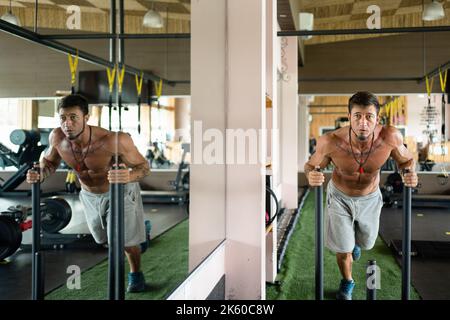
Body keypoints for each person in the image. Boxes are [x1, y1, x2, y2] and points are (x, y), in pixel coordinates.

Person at [26, 94, 151, 293]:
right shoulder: (57, 138)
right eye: (63, 118)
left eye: (73, 117)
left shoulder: (114, 141)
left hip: (119, 192)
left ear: (86, 117)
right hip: (89, 195)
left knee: (124, 242)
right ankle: (140, 230)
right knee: (103, 240)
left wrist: (127, 176)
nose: (67, 123)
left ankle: (136, 273)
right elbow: (49, 163)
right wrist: (40, 174)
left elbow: (144, 167)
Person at [304, 91, 418, 300]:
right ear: (349, 117)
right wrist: (311, 174)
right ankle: (348, 280)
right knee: (343, 248)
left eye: (369, 117)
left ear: (377, 119)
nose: (363, 123)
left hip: (370, 198)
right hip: (339, 197)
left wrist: (409, 173)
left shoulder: (390, 138)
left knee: (366, 244)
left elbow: (407, 161)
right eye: (357, 116)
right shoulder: (330, 142)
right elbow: (311, 165)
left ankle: (355, 243)